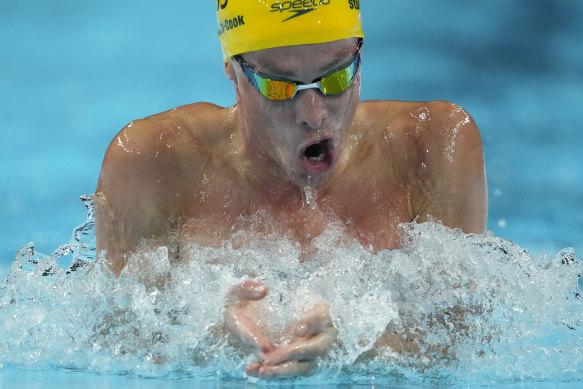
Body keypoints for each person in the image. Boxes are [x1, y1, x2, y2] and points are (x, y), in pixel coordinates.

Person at [94, 1, 487, 379]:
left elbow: (458, 342)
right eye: (279, 87)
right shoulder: (154, 162)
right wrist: (210, 331)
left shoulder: (430, 147)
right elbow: (115, 343)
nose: (313, 115)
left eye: (336, 77)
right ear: (233, 72)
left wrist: (358, 341)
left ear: (360, 55)